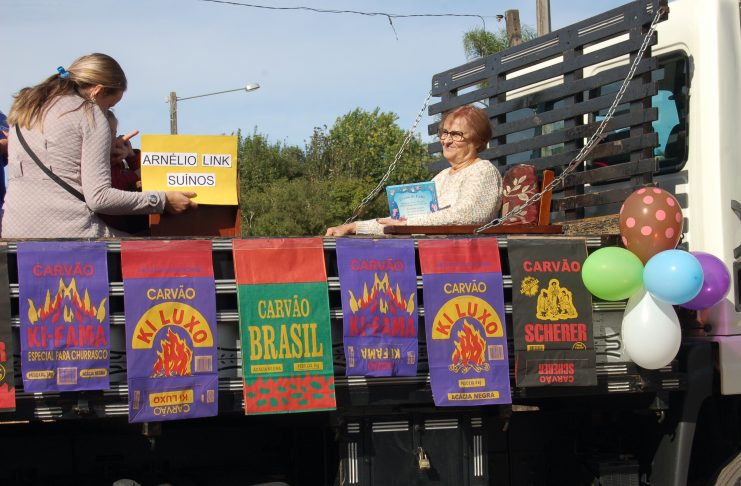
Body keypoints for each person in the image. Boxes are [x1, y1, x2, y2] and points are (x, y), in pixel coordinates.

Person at [1, 53, 196, 238]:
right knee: (157, 249)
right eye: (109, 105)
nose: (106, 112)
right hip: (67, 232)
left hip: (14, 230)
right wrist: (162, 200)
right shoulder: (89, 113)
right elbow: (100, 198)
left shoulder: (29, 106)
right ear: (98, 90)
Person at [325, 105, 502, 236]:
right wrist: (354, 227)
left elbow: (469, 215)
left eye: (456, 134)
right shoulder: (442, 177)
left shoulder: (482, 171)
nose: (447, 140)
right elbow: (403, 220)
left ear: (478, 140)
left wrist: (407, 223)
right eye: (445, 133)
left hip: (461, 261)